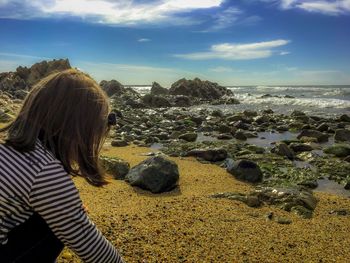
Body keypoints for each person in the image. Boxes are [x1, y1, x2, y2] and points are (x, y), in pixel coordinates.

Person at [0, 69, 124, 262]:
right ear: (79, 129)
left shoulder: (8, 149)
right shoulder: (42, 170)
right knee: (59, 225)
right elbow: (95, 250)